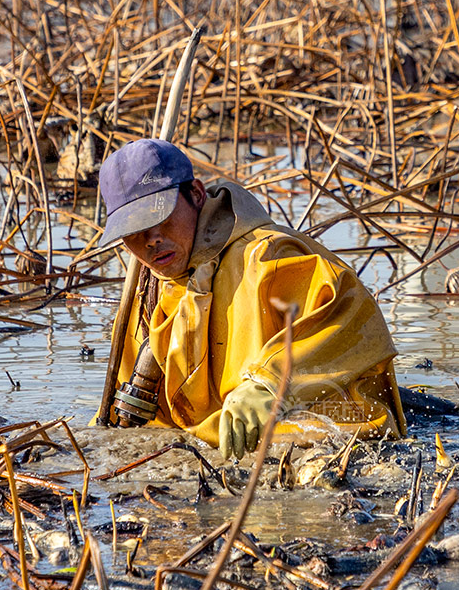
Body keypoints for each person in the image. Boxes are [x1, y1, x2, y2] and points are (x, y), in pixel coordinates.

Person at [100, 139, 405, 460]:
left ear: (196, 195)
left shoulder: (266, 255)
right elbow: (133, 411)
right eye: (133, 230)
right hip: (212, 448)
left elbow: (351, 315)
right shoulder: (146, 291)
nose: (151, 240)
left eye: (159, 218)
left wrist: (269, 384)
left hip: (322, 444)